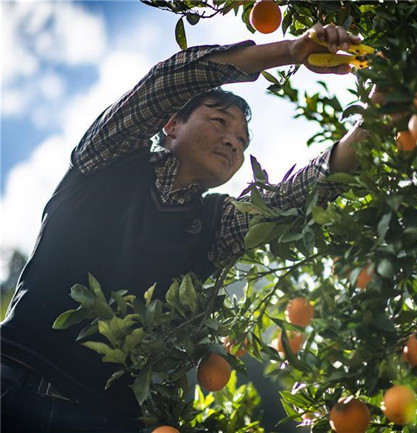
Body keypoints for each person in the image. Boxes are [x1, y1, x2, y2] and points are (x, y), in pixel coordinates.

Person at [0, 23, 368, 433]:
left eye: (242, 140)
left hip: (103, 417)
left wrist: (378, 116)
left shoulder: (215, 224)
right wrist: (290, 51)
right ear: (172, 125)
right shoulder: (107, 158)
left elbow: (300, 195)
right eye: (219, 121)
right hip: (13, 376)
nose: (233, 141)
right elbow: (166, 84)